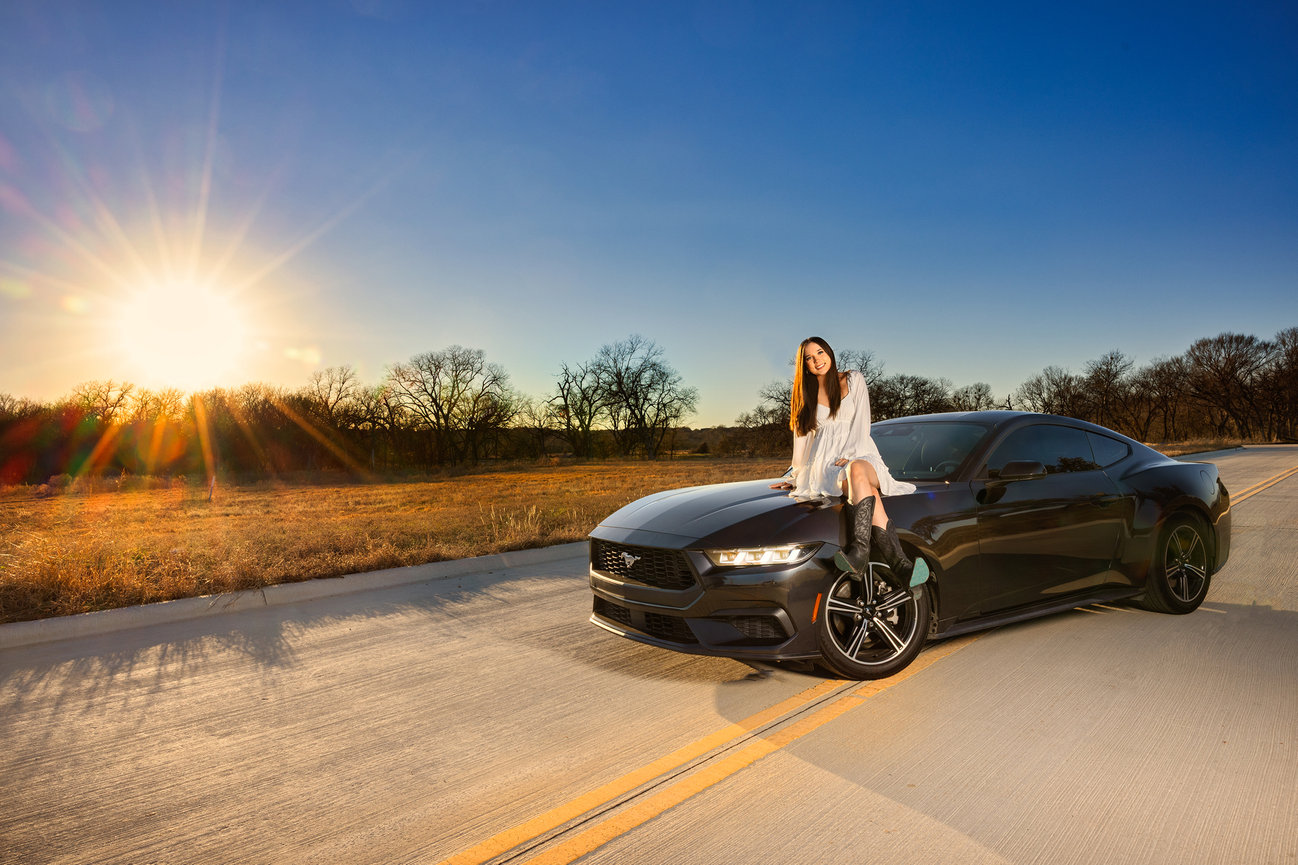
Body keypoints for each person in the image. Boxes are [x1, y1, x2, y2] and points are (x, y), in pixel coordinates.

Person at [768, 336, 920, 590]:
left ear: (829, 352)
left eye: (820, 352)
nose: (817, 360)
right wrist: (795, 475)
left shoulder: (853, 379)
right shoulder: (804, 395)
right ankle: (901, 567)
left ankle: (858, 554)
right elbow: (803, 440)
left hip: (859, 452)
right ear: (804, 365)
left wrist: (852, 454)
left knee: (857, 468)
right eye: (809, 358)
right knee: (867, 490)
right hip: (826, 464)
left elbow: (863, 422)